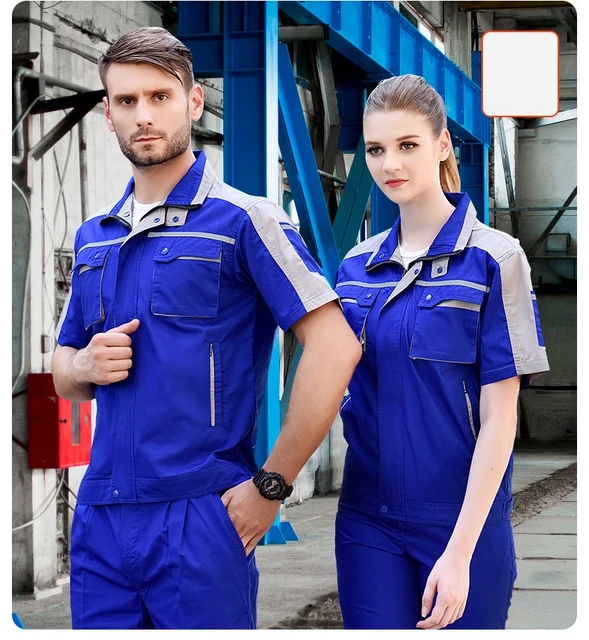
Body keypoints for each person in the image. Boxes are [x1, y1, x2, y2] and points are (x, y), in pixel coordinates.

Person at [51, 27, 362, 630]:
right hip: (102, 516)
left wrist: (271, 486)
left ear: (193, 102)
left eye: (160, 97)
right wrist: (85, 366)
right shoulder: (96, 236)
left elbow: (335, 345)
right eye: (126, 101)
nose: (144, 115)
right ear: (108, 113)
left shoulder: (245, 222)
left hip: (201, 516)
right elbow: (63, 369)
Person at [334, 74, 549, 630]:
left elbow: (502, 418)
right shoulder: (356, 269)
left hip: (461, 522)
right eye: (376, 150)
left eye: (408, 145)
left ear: (443, 144)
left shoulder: (495, 260)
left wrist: (458, 554)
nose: (389, 165)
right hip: (367, 520)